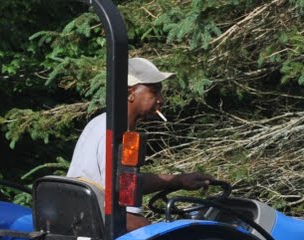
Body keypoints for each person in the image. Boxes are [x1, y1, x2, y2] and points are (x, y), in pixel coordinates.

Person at [66, 56, 214, 226]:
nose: (161, 100)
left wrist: (177, 180)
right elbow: (125, 214)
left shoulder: (101, 123)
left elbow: (126, 183)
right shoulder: (120, 137)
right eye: (154, 91)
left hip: (83, 221)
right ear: (130, 93)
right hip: (100, 227)